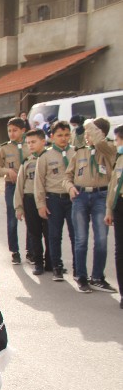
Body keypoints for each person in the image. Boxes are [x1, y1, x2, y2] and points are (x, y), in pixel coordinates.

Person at [64, 118, 117, 294]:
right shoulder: (79, 152)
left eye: (90, 133)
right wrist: (70, 187)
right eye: (86, 133)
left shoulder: (108, 149)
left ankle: (97, 277)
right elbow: (67, 176)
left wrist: (88, 122)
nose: (87, 136)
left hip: (101, 196)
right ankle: (81, 277)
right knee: (81, 240)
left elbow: (100, 141)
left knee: (101, 239)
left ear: (100, 133)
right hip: (80, 196)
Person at [35, 120, 77, 282]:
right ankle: (57, 267)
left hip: (73, 200)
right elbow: (39, 182)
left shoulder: (76, 152)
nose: (64, 138)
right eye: (59, 135)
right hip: (54, 199)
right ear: (52, 137)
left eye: (67, 135)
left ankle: (77, 268)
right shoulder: (45, 156)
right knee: (54, 235)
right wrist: (41, 204)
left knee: (76, 235)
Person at [0, 117, 30, 265]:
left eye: (15, 130)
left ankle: (30, 250)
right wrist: (8, 171)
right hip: (12, 186)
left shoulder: (29, 145)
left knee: (30, 218)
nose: (11, 134)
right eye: (9, 131)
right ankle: (15, 251)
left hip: (28, 186)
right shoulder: (4, 148)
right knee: (12, 219)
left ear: (23, 131)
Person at [15, 129, 51, 275]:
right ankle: (38, 263)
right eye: (28, 143)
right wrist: (19, 207)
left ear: (43, 141)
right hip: (30, 199)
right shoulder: (27, 162)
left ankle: (51, 262)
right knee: (34, 233)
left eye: (33, 142)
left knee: (50, 233)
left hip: (48, 199)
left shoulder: (50, 158)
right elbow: (19, 185)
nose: (30, 145)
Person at [104, 125, 123, 308]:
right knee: (120, 251)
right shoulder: (118, 158)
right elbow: (113, 186)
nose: (116, 144)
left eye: (117, 140)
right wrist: (109, 210)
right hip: (120, 206)